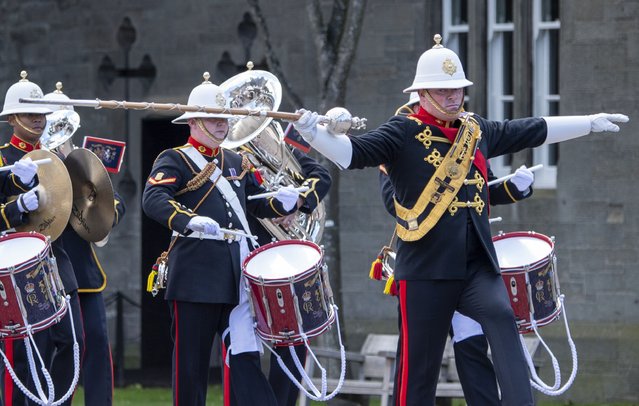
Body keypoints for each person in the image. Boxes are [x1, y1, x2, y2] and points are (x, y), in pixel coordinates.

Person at [291, 35, 628, 405]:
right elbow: (352, 154)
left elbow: (527, 130)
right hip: (425, 270)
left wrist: (587, 123)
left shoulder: (475, 129)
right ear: (422, 94)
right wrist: (314, 134)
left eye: (458, 90)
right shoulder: (401, 132)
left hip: (475, 267)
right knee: (418, 374)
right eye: (444, 91)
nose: (454, 98)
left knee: (503, 321)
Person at [141, 72, 300, 406]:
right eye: (213, 119)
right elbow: (154, 200)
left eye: (225, 118)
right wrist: (190, 220)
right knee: (191, 370)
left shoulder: (236, 161)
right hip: (195, 279)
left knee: (246, 358)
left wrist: (281, 200)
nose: (221, 124)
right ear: (194, 121)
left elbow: (255, 203)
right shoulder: (175, 159)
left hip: (236, 279)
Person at [378, 93, 537, 405]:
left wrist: (516, 188)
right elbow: (393, 203)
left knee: (472, 344)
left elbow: (485, 190)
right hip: (428, 263)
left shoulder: (467, 140)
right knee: (417, 365)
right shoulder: (401, 144)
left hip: (468, 259)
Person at [0, 71, 84, 406]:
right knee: (26, 353)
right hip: (16, 265)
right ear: (12, 119)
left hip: (56, 261)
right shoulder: (3, 159)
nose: (38, 119)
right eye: (30, 113)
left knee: (72, 341)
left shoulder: (57, 158)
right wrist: (16, 207)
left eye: (41, 113)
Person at [41, 82, 127, 406]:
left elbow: (114, 201)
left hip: (84, 270)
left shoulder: (85, 162)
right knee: (57, 349)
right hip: (48, 270)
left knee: (96, 346)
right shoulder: (36, 161)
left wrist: (80, 174)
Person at [240, 141, 332, 406]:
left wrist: (298, 203)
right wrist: (275, 206)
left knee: (292, 341)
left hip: (284, 259)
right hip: (247, 255)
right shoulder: (225, 156)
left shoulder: (276, 142)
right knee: (243, 349)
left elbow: (321, 176)